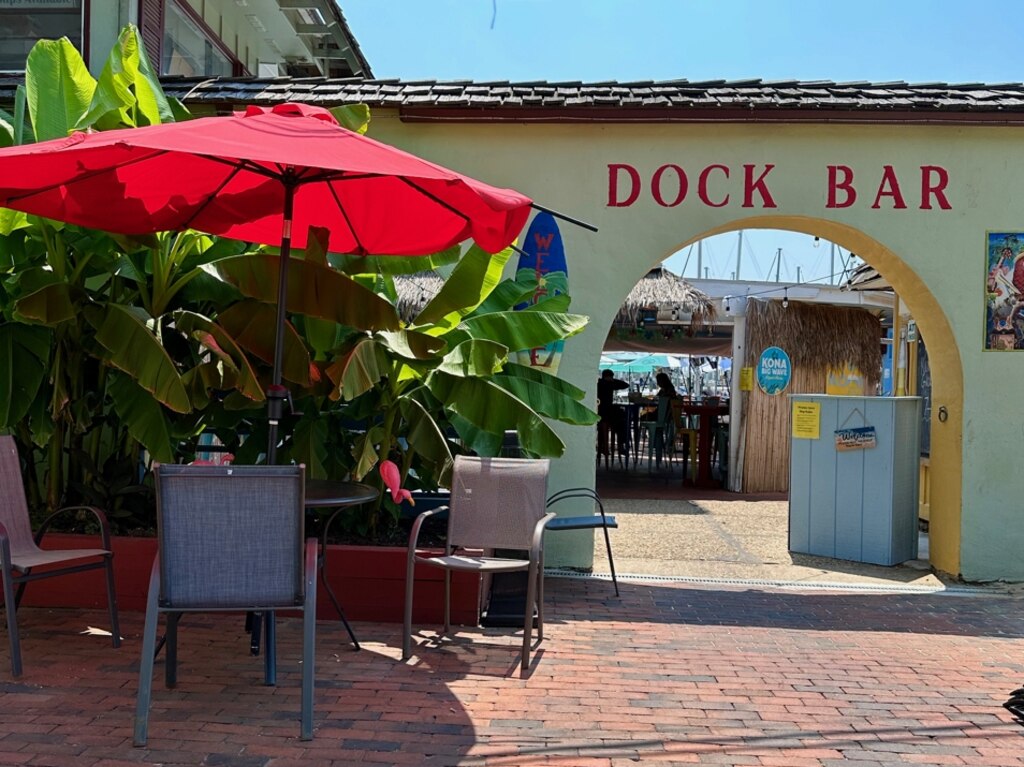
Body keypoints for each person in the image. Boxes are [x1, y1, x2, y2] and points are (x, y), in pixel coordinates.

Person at [597, 369, 629, 460]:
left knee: (619, 419)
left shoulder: (600, 383)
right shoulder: (607, 384)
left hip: (602, 413)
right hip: (605, 412)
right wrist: (612, 381)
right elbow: (625, 385)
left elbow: (625, 385)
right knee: (622, 419)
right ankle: (621, 444)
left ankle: (604, 445)